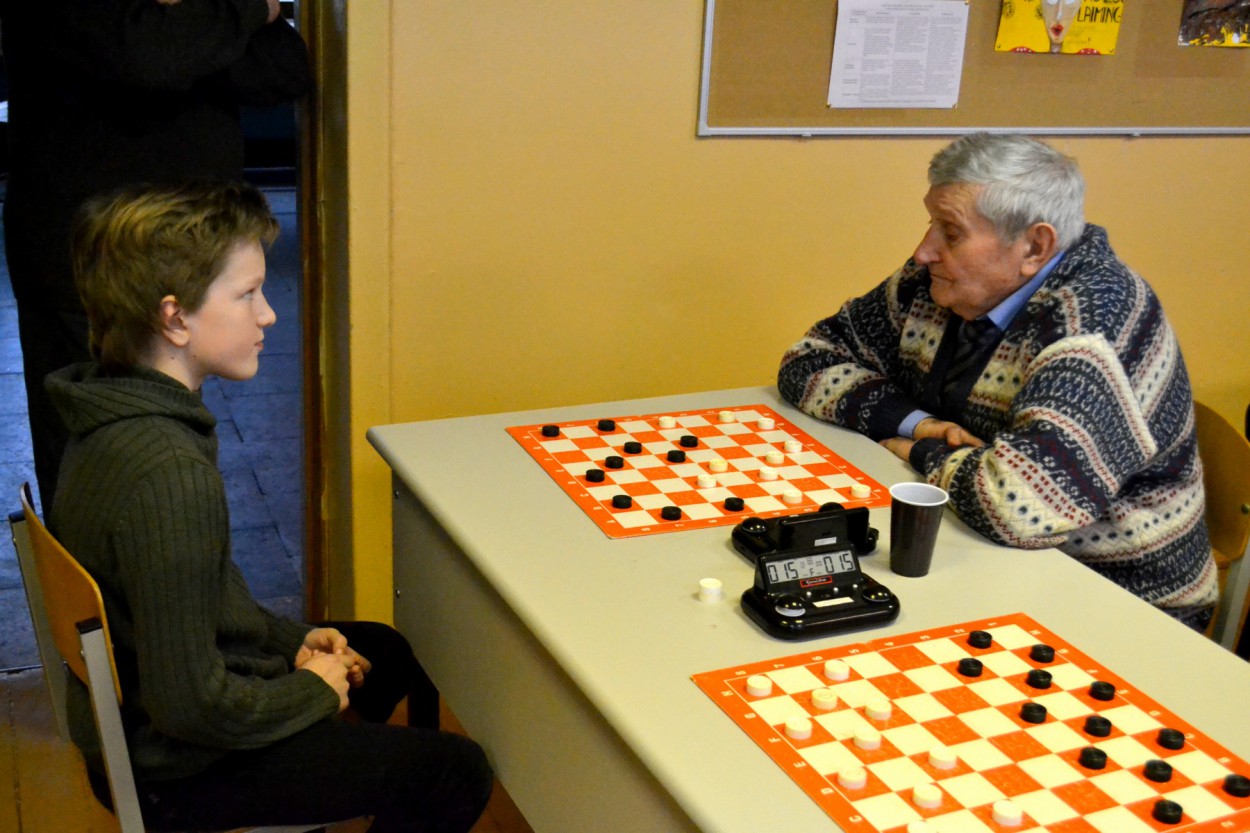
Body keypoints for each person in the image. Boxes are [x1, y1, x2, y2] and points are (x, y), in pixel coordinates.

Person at [46, 181, 492, 832]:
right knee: (457, 771)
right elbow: (189, 705)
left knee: (384, 651)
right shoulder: (167, 472)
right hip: (177, 769)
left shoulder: (110, 408)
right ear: (174, 318)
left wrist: (293, 641)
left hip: (155, 717)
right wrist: (311, 692)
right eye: (247, 294)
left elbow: (202, 599)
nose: (269, 315)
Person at [778, 133, 1218, 631]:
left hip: (1119, 599)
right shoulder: (939, 283)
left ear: (1034, 247)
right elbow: (808, 359)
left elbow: (1019, 506)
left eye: (951, 232)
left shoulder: (1094, 325)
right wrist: (915, 423)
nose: (923, 252)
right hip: (981, 550)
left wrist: (914, 450)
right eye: (930, 223)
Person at [0, 0, 311, 506]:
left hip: (185, 260)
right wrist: (255, 8)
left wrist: (197, 27)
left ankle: (175, 548)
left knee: (172, 445)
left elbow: (282, 72)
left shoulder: (194, 16)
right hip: (89, 267)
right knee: (96, 464)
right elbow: (148, 58)